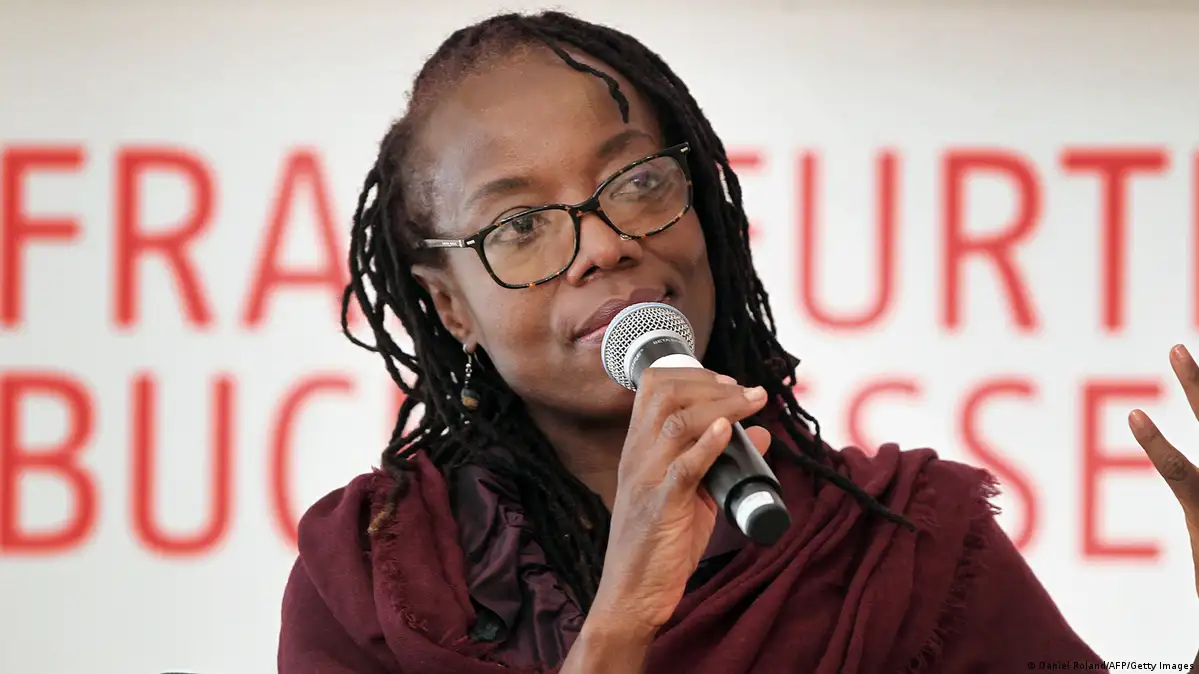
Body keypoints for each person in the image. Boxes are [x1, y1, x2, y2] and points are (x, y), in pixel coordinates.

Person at [278, 11, 1199, 674]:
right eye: (520, 224)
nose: (603, 245)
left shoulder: (901, 546)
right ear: (450, 307)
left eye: (636, 182)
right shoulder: (368, 582)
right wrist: (621, 619)